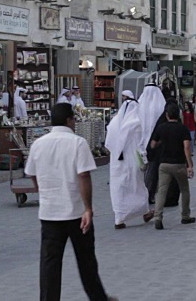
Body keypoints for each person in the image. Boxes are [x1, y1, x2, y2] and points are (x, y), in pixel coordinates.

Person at [25, 103, 118, 301]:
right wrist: (88, 208)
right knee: (86, 261)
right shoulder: (77, 143)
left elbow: (32, 174)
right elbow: (83, 176)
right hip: (76, 213)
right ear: (69, 120)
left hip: (49, 214)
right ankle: (98, 298)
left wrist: (44, 193)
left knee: (50, 264)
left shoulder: (38, 144)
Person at [104, 90, 154, 229]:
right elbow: (141, 143)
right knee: (136, 186)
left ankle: (119, 219)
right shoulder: (137, 122)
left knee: (119, 188)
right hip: (132, 161)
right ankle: (144, 212)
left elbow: (108, 143)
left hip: (117, 162)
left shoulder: (114, 123)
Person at [149, 103, 196, 230]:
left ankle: (158, 217)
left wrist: (161, 142)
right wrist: (190, 165)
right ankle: (185, 216)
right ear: (178, 114)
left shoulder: (161, 128)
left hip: (164, 164)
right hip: (179, 164)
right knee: (184, 190)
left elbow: (152, 145)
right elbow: (187, 148)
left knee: (161, 191)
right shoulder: (183, 129)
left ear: (167, 114)